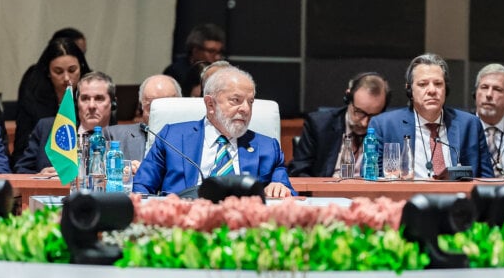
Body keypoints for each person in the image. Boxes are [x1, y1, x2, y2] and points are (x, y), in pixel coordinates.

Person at [133, 66, 295, 197]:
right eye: (236, 100)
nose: (245, 109)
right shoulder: (172, 138)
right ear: (210, 104)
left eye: (250, 102)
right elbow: (141, 187)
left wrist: (280, 187)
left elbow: (288, 192)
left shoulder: (268, 147)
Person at [370, 53, 493, 178]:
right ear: (410, 90)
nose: (432, 90)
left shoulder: (470, 124)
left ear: (447, 89)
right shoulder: (384, 126)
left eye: (438, 84)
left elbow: (487, 180)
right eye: (423, 84)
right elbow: (371, 180)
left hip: (458, 196)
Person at [16, 71, 126, 174]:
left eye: (99, 98)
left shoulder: (126, 138)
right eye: (85, 98)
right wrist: (42, 177)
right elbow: (21, 171)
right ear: (76, 103)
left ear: (113, 103)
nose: (91, 106)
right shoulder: (48, 128)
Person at [289, 72, 390, 177]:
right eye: (359, 112)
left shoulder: (389, 129)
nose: (364, 123)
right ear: (348, 98)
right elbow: (298, 170)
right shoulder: (319, 125)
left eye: (373, 116)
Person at [12, 37, 91, 168]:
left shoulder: (92, 102)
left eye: (72, 70)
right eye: (58, 72)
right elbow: (21, 156)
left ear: (81, 69)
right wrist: (39, 175)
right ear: (48, 72)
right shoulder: (32, 101)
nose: (66, 78)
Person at [107, 74, 182, 167]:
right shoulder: (114, 136)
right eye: (151, 107)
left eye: (167, 106)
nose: (159, 114)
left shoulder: (196, 137)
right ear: (141, 106)